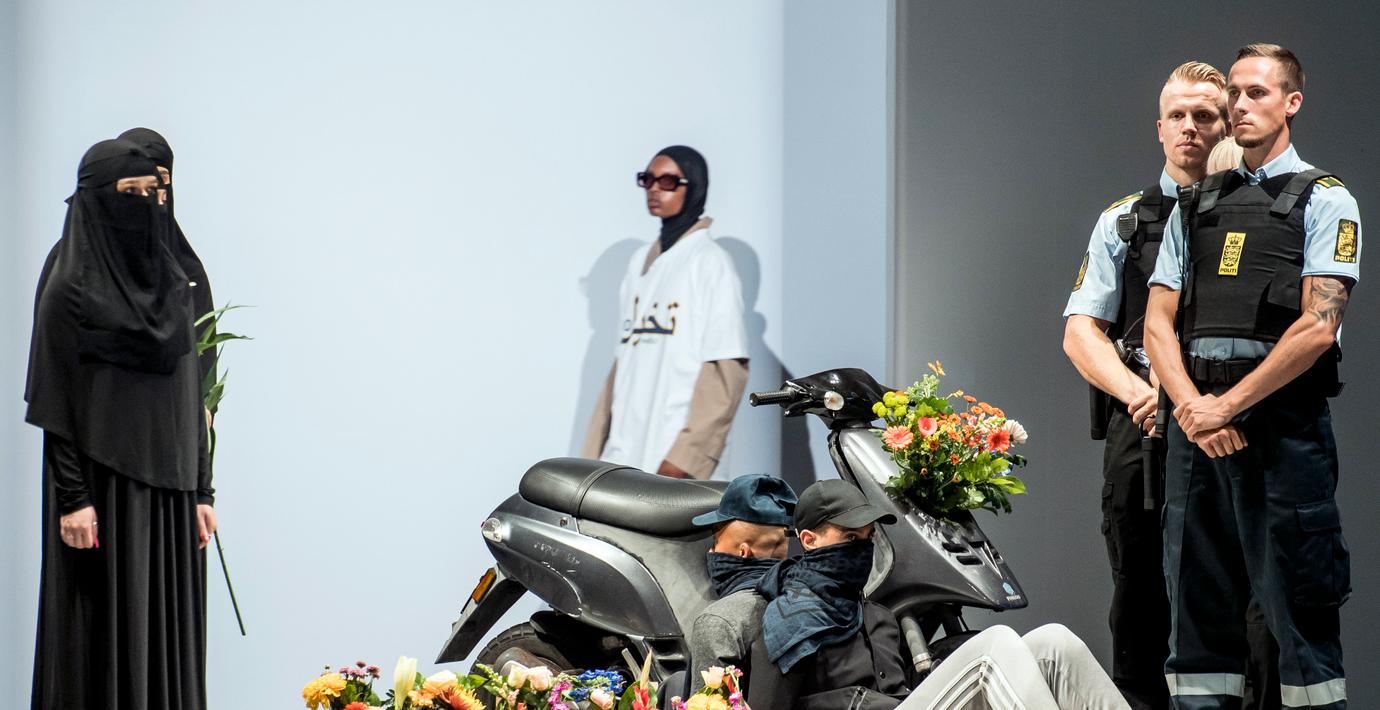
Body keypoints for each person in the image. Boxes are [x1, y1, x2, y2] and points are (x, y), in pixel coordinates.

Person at [1144, 44, 1357, 709]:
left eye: (1256, 93)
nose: (1239, 105)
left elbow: (1318, 326)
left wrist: (1225, 406)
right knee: (1195, 628)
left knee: (1299, 621)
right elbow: (1157, 324)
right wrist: (1193, 411)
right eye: (1234, 92)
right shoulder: (1194, 205)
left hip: (1281, 437)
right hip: (1196, 441)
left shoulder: (1326, 199)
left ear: (1292, 102)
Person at [25, 138, 215, 710]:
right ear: (94, 200)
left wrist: (202, 490)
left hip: (172, 495)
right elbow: (55, 400)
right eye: (129, 194)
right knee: (101, 641)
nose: (144, 206)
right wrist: (73, 500)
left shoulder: (173, 285)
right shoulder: (69, 289)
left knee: (165, 642)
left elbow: (192, 394)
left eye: (152, 193)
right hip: (101, 493)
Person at [1063, 61, 1229, 710]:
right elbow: (1081, 332)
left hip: (1226, 427)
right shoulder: (1125, 221)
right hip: (1144, 435)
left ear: (1226, 127)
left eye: (1204, 116)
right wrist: (1140, 394)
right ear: (1159, 128)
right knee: (1138, 603)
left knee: (1236, 599)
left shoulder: (1255, 219)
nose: (1190, 127)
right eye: (1177, 116)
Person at [747, 480, 1129, 710]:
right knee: (993, 645)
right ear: (809, 540)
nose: (862, 549)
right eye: (849, 537)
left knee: (1054, 642)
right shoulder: (789, 620)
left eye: (868, 538)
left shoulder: (876, 615)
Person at [581, 146, 749, 479]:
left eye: (668, 181)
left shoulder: (710, 262)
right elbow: (623, 368)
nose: (655, 189)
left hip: (674, 460)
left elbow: (725, 371)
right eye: (648, 179)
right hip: (622, 452)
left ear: (694, 187)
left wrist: (686, 458)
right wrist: (593, 455)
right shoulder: (639, 264)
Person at [117, 127, 219, 411]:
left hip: (176, 421)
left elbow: (204, 357)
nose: (154, 193)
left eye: (162, 179)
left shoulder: (187, 272)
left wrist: (203, 411)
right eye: (140, 181)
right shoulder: (79, 265)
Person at [687, 474, 797, 693]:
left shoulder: (719, 622)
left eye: (716, 542)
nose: (712, 551)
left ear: (743, 552)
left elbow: (708, 704)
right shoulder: (810, 601)